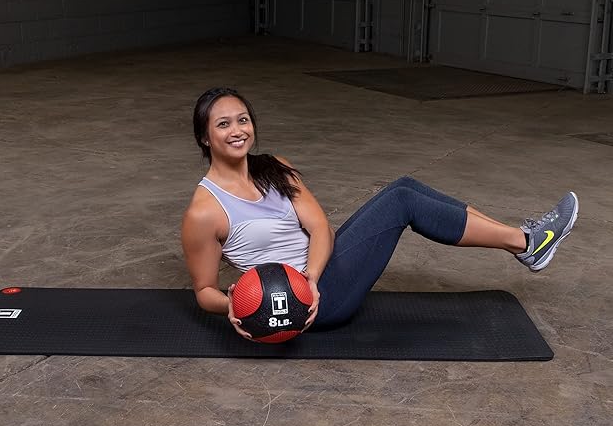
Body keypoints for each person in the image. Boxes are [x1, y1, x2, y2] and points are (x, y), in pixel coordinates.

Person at [181, 87, 579, 338]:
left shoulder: (274, 167)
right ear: (205, 136)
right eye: (223, 124)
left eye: (243, 119)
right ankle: (526, 242)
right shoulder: (204, 211)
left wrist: (314, 277)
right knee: (400, 202)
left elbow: (321, 228)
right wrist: (235, 305)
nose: (237, 130)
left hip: (318, 281)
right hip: (302, 307)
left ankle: (525, 242)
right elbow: (204, 292)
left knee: (404, 187)